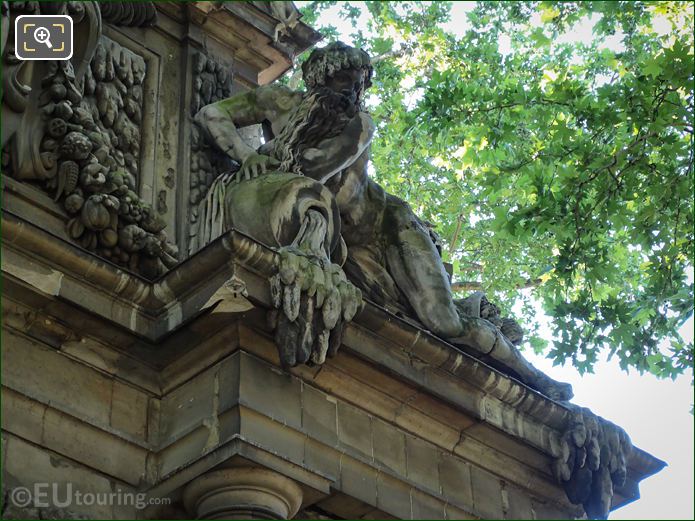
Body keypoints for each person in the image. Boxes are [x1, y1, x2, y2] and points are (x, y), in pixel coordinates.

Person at [195, 42, 572, 401]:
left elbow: (313, 171)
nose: (352, 95)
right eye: (346, 82)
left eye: (359, 87)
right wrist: (246, 155)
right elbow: (213, 114)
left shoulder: (359, 125)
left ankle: (533, 378)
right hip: (341, 239)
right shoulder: (276, 100)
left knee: (444, 323)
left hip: (387, 227)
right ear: (319, 78)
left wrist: (266, 159)